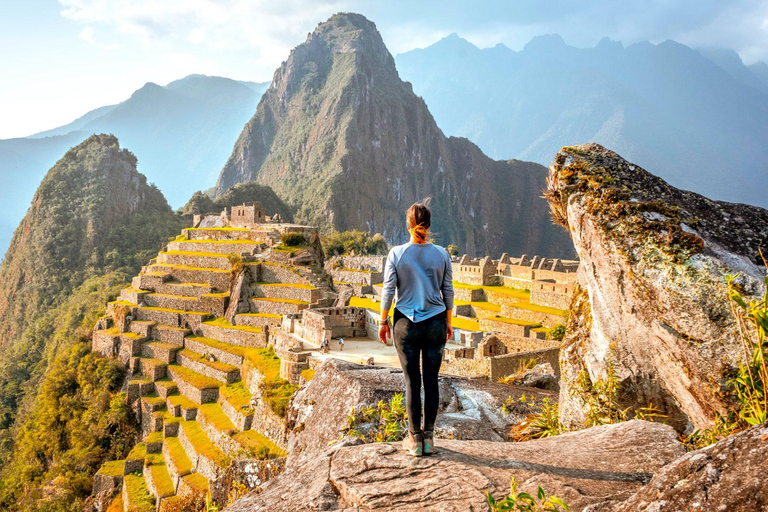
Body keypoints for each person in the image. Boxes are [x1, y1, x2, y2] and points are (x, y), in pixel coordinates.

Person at [378, 200, 453, 457]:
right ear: (428, 225)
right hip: (436, 322)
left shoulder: (397, 254)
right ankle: (429, 438)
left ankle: (414, 440)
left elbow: (388, 290)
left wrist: (382, 320)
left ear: (408, 225)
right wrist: (449, 323)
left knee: (413, 381)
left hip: (405, 325)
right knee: (432, 380)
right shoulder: (442, 254)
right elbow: (448, 291)